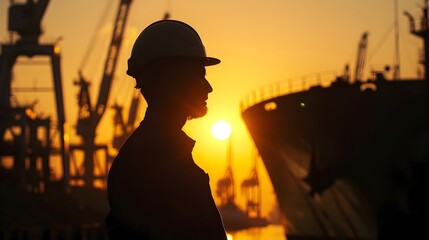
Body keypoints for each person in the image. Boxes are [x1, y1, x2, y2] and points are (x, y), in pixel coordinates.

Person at [106, 20, 227, 240]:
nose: (209, 87)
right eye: (199, 74)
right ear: (173, 80)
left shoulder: (150, 157)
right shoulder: (154, 164)